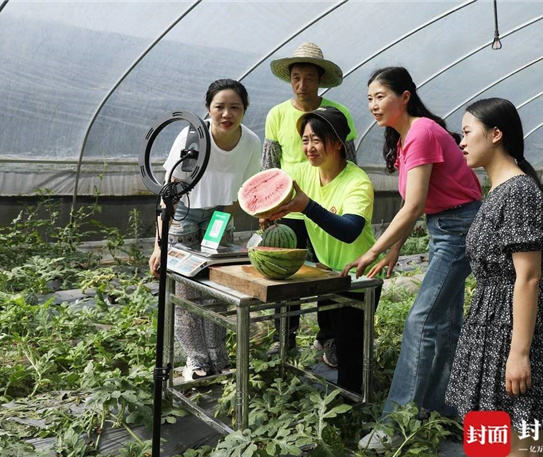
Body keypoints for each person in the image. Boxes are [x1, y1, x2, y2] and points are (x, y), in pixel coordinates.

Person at [343, 67, 483, 451]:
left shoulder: (420, 131)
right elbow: (414, 203)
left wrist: (373, 249)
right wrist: (394, 248)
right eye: (369, 98)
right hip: (446, 228)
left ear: (404, 96)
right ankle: (446, 411)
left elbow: (416, 204)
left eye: (381, 96)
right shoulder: (406, 138)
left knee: (421, 320)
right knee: (446, 323)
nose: (373, 104)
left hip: (459, 230)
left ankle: (394, 422)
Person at [445, 98, 543, 457]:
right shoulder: (501, 192)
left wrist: (518, 354)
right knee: (533, 449)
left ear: (496, 134)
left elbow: (529, 277)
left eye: (468, 133)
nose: (462, 142)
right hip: (496, 326)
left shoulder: (517, 193)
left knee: (518, 453)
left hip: (510, 333)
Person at [148, 79, 261, 381]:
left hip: (221, 214)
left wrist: (223, 218)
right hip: (183, 212)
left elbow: (244, 191)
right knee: (187, 293)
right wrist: (159, 244)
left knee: (217, 291)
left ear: (244, 110)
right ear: (208, 109)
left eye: (234, 107)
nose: (227, 113)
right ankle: (195, 361)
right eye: (219, 107)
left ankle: (219, 358)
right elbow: (169, 188)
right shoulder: (193, 136)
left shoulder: (251, 142)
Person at [270, 106, 381, 394]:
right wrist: (269, 211)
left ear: (337, 142)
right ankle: (342, 396)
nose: (309, 147)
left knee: (350, 347)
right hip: (328, 271)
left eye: (316, 140)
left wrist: (307, 206)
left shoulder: (357, 182)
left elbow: (349, 230)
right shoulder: (304, 173)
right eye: (305, 140)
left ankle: (354, 403)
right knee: (331, 336)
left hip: (358, 277)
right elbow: (281, 195)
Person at [261, 42, 358, 366]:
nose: (303, 85)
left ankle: (328, 339)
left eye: (310, 78)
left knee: (326, 276)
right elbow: (269, 166)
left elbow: (349, 160)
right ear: (290, 80)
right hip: (287, 210)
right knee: (282, 277)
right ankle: (284, 339)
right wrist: (266, 210)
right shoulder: (277, 114)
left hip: (325, 208)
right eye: (297, 78)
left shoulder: (336, 114)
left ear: (321, 80)